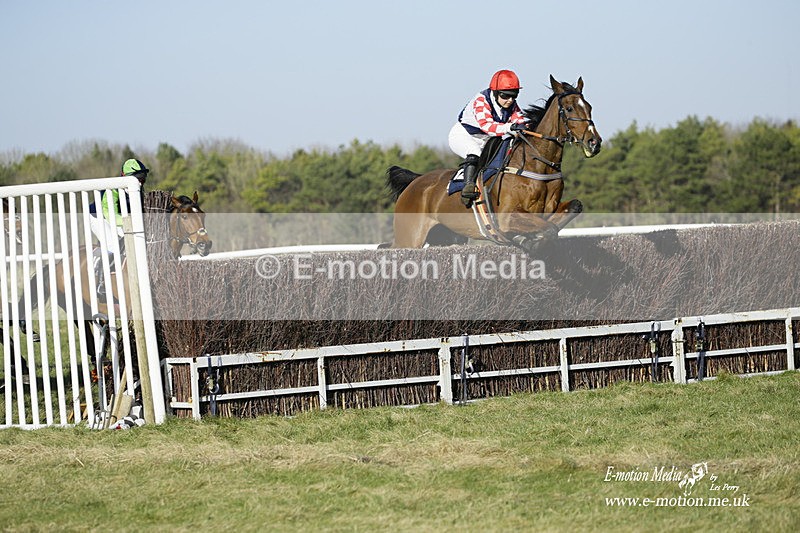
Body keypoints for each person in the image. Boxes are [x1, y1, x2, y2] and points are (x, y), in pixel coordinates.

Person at [449, 69, 528, 206]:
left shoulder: (511, 105)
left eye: (514, 96)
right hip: (464, 136)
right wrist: (510, 127)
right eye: (505, 96)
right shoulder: (481, 100)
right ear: (495, 92)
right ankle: (468, 188)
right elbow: (487, 126)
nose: (510, 100)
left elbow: (521, 122)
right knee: (475, 153)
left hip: (486, 140)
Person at [89, 158, 149, 295]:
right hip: (99, 216)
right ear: (125, 177)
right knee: (113, 245)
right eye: (138, 179)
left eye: (143, 179)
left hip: (120, 218)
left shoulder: (138, 190)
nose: (140, 183)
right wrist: (130, 222)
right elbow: (109, 214)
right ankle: (102, 283)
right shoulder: (113, 189)